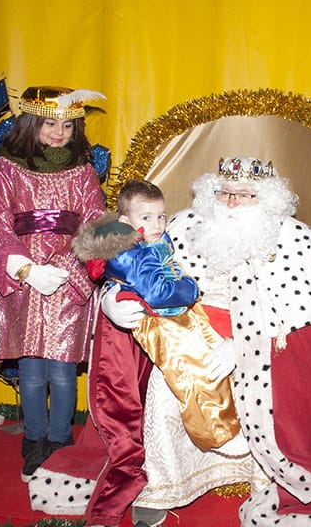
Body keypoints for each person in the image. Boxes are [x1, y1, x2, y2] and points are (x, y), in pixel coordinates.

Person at [28, 156, 311, 527]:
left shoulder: (298, 240)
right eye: (224, 193)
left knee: (262, 389)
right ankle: (162, 486)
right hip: (187, 331)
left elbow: (310, 313)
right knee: (163, 390)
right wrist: (111, 297)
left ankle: (264, 475)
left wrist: (243, 346)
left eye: (246, 194)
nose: (232, 202)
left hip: (265, 342)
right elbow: (132, 266)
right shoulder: (181, 225)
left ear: (269, 197)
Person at [0, 85, 107, 482]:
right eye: (50, 123)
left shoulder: (83, 172)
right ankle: (34, 439)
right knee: (31, 372)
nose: (59, 132)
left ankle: (61, 440)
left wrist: (65, 265)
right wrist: (26, 269)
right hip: (26, 280)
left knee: (63, 371)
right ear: (32, 123)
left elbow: (94, 222)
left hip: (67, 280)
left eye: (68, 125)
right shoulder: (8, 168)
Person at [72, 178, 248, 456]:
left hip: (192, 313)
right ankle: (215, 433)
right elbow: (158, 291)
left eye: (161, 216)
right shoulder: (128, 250)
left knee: (211, 355)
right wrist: (189, 288)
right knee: (188, 366)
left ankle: (232, 422)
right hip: (158, 318)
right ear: (125, 221)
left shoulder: (158, 235)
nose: (157, 224)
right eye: (147, 218)